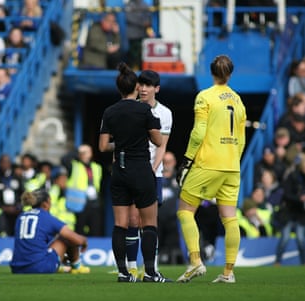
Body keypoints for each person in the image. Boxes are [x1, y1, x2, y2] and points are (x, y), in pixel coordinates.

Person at [175, 55, 246, 283]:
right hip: (232, 165)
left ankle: (196, 261)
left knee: (185, 210)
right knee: (230, 218)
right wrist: (233, 160)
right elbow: (242, 139)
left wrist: (187, 159)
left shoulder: (205, 96)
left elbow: (198, 132)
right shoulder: (238, 101)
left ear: (211, 72)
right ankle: (228, 272)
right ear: (230, 74)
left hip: (208, 162)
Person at [99, 62, 168, 283]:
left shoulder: (109, 112)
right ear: (136, 88)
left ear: (119, 88)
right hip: (141, 169)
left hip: (119, 169)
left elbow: (102, 146)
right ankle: (149, 272)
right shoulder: (145, 110)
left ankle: (123, 273)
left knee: (120, 224)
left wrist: (120, 143)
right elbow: (157, 140)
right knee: (148, 223)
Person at [126, 70, 173, 278]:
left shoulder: (165, 113)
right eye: (141, 84)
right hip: (132, 170)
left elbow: (162, 146)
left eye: (148, 85)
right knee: (132, 220)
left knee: (149, 222)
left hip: (153, 173)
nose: (143, 89)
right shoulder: (130, 108)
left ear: (157, 89)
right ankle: (130, 268)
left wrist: (152, 170)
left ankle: (150, 269)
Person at [10, 188, 90, 274]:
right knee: (66, 237)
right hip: (39, 268)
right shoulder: (47, 217)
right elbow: (76, 240)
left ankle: (60, 266)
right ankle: (77, 267)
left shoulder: (21, 216)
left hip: (17, 268)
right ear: (45, 203)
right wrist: (84, 241)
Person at [62, 144, 103, 236]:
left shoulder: (97, 167)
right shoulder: (74, 166)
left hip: (94, 203)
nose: (84, 154)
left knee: (95, 230)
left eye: (86, 152)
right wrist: (77, 150)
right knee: (79, 230)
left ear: (91, 154)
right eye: (82, 153)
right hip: (79, 204)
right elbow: (64, 159)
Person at [274, 154, 305, 265]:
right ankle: (277, 262)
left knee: (301, 240)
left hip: (301, 214)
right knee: (285, 238)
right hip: (289, 212)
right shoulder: (293, 176)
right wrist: (299, 198)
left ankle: (303, 263)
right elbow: (286, 194)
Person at [125, 0, 154, 70]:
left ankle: (142, 71)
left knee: (142, 56)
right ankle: (132, 72)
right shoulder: (129, 4)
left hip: (143, 35)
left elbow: (148, 17)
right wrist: (142, 23)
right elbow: (129, 17)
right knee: (133, 56)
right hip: (133, 36)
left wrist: (147, 23)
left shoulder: (144, 4)